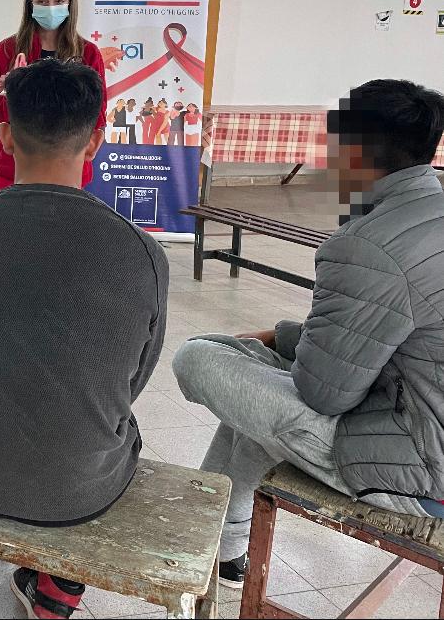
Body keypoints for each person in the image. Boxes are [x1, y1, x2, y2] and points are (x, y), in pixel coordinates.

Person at [0, 58, 168, 619]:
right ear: (97, 140)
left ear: (4, 136)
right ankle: (58, 586)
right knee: (108, 422)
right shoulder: (144, 254)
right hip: (81, 491)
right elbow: (133, 379)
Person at [173, 78, 444, 588]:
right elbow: (382, 338)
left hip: (416, 467)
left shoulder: (369, 245)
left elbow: (321, 392)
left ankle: (208, 537)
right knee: (257, 384)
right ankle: (219, 545)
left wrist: (261, 353)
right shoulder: (429, 214)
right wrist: (278, 339)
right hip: (419, 419)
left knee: (198, 357)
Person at [0, 0, 110, 193]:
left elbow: (97, 113)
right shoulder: (8, 50)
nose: (51, 8)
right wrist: (14, 96)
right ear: (30, 4)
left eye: (59, 1)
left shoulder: (88, 53)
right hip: (14, 168)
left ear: (70, 4)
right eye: (42, 1)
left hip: (69, 167)